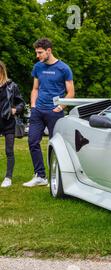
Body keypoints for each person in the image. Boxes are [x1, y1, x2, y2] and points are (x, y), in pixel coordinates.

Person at [23, 38, 75, 187]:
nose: (37, 55)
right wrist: (33, 106)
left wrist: (60, 107)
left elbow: (71, 92)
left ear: (49, 51)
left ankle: (56, 177)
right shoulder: (37, 67)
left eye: (40, 52)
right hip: (38, 111)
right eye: (37, 52)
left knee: (56, 146)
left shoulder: (64, 68)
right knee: (32, 141)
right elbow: (35, 88)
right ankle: (40, 176)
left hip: (55, 113)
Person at [0, 61, 25, 188]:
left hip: (8, 122)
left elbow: (21, 103)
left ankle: (8, 177)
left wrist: (16, 109)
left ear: (1, 71)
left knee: (9, 150)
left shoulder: (11, 86)